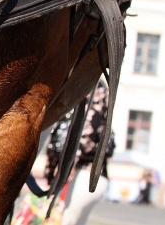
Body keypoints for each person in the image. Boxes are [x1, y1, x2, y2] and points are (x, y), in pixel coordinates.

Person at [44, 82, 114, 225]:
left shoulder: (93, 86)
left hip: (83, 171)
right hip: (76, 172)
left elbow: (88, 129)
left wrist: (69, 164)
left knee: (65, 220)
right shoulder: (71, 83)